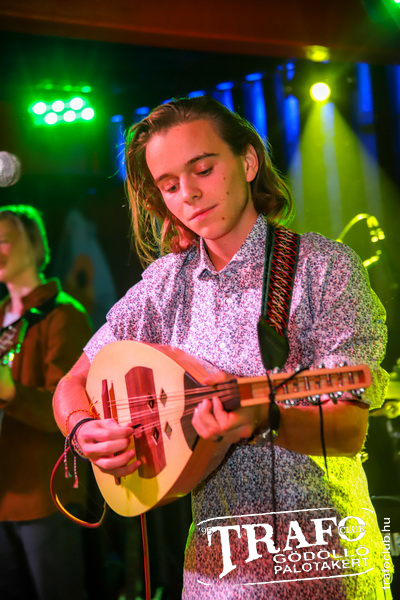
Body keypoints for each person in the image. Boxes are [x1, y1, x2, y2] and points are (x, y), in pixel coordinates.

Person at [53, 97, 392, 599]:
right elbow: (73, 382)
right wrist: (83, 430)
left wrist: (266, 419)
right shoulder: (165, 285)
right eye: (169, 185)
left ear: (248, 161)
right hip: (215, 572)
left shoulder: (323, 268)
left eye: (203, 169)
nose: (188, 194)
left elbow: (347, 429)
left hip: (321, 559)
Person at [0, 205, 92, 600]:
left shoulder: (63, 315)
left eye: (4, 240)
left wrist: (12, 394)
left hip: (44, 497)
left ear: (35, 246)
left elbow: (71, 412)